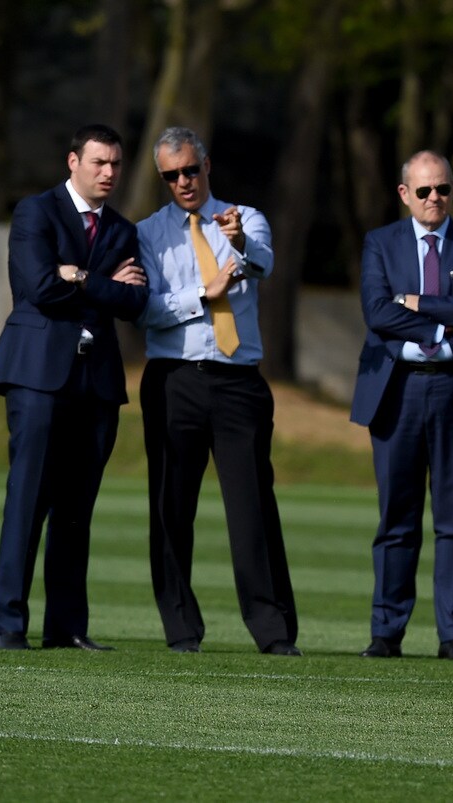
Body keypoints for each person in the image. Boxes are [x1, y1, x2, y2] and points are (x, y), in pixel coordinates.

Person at [0, 124, 149, 651]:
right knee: (27, 499)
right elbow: (38, 287)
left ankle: (67, 627)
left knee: (77, 508)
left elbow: (134, 303)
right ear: (73, 161)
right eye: (99, 162)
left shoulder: (122, 229)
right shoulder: (36, 211)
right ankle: (10, 624)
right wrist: (99, 285)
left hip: (96, 382)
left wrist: (77, 276)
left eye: (115, 163)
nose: (109, 172)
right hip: (37, 375)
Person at [134, 126, 299, 656]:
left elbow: (264, 262)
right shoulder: (147, 233)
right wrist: (202, 294)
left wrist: (239, 242)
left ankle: (273, 631)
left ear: (206, 166)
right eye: (171, 175)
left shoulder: (244, 218)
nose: (183, 181)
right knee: (170, 507)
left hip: (237, 382)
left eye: (190, 169)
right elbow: (145, 309)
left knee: (252, 508)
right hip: (173, 379)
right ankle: (181, 629)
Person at [350, 150, 453, 661]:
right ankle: (386, 633)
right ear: (404, 194)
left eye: (443, 188)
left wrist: (413, 302)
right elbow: (376, 313)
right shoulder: (380, 243)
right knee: (396, 517)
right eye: (424, 190)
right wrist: (446, 319)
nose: (435, 197)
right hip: (398, 389)